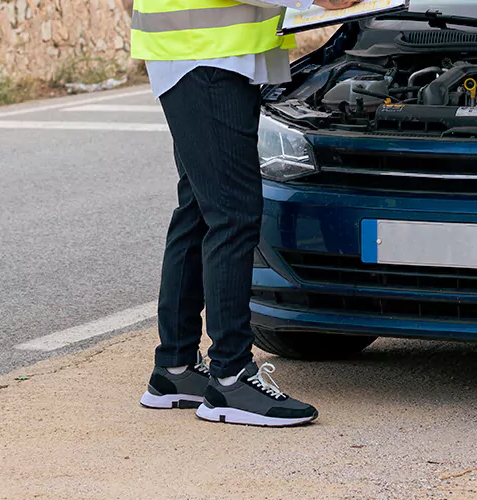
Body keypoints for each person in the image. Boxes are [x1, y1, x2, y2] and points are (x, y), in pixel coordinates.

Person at [130, 0, 358, 426]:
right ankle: (231, 378)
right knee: (232, 214)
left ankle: (175, 369)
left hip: (202, 53)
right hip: (208, 55)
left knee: (200, 208)